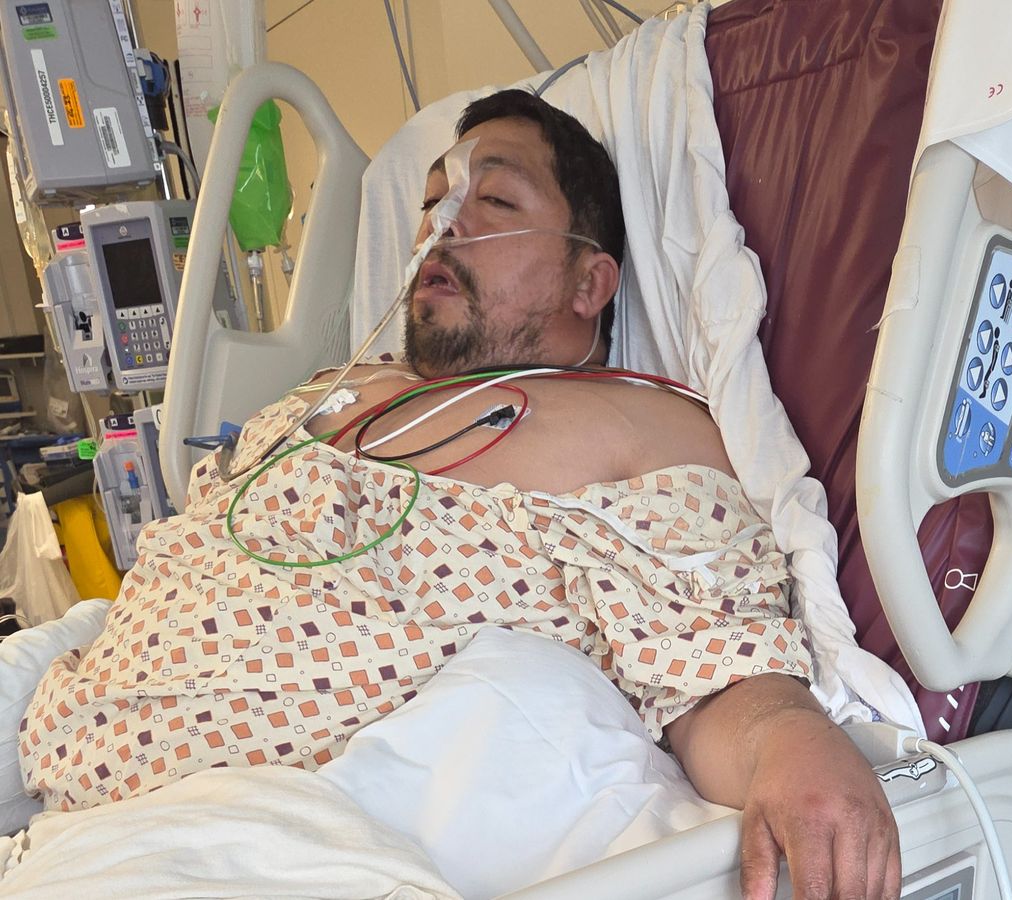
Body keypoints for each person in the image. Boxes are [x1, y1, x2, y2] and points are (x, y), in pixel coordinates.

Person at [20, 90, 899, 900]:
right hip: (59, 789)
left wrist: (792, 741)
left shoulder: (636, 430)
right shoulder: (333, 390)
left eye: (496, 201)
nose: (445, 226)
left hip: (259, 836)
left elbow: (712, 670)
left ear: (590, 282)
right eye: (435, 201)